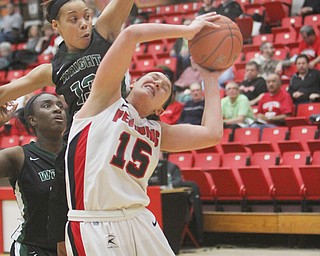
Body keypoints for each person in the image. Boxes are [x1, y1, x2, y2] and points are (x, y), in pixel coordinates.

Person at [64, 13, 223, 255]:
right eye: (153, 77)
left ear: (160, 109)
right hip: (95, 221)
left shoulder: (158, 133)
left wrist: (210, 78)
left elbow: (211, 134)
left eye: (165, 87)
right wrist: (186, 30)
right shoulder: (104, 100)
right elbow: (131, 34)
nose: (158, 82)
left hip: (139, 219)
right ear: (135, 81)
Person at [0, 0, 134, 253]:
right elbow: (6, 91)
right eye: (73, 19)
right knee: (65, 215)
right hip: (82, 148)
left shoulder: (103, 32)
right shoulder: (52, 69)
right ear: (56, 26)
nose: (84, 23)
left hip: (119, 138)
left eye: (87, 16)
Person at [0, 93, 67, 256]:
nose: (57, 109)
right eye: (47, 106)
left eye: (59, 105)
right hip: (32, 249)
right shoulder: (18, 156)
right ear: (32, 120)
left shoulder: (76, 152)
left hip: (71, 248)